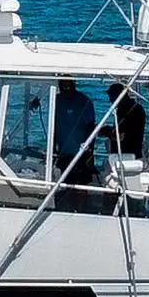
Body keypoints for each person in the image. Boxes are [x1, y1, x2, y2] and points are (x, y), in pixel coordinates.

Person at [52, 79, 98, 211]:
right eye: (62, 87)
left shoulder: (84, 101)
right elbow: (53, 126)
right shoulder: (56, 101)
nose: (65, 90)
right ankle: (68, 209)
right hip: (63, 151)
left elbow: (91, 128)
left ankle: (82, 210)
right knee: (66, 182)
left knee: (81, 184)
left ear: (73, 85)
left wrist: (90, 153)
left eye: (67, 87)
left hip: (81, 151)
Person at [105, 83, 147, 161]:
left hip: (129, 152)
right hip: (127, 148)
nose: (110, 100)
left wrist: (105, 131)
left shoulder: (130, 110)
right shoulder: (131, 107)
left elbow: (121, 135)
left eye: (112, 97)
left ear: (118, 96)